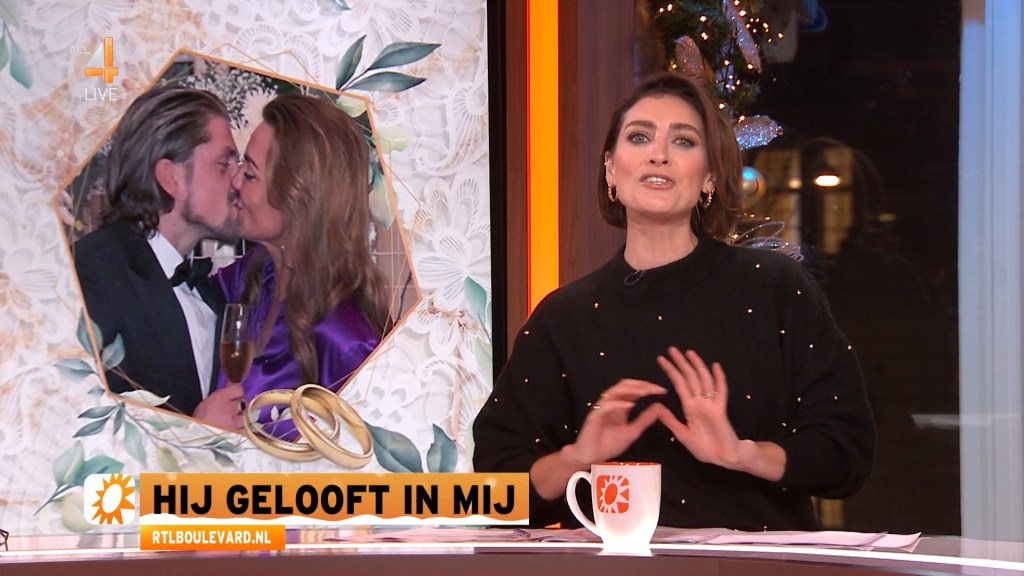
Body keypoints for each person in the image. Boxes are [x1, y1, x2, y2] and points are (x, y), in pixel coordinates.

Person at [472, 73, 875, 531]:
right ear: (610, 169)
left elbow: (848, 452)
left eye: (683, 141)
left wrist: (740, 453)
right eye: (639, 137)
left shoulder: (776, 288)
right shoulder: (562, 318)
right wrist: (578, 457)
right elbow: (492, 494)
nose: (658, 154)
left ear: (709, 177)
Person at [214, 93, 390, 436]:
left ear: (297, 198)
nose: (235, 181)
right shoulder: (246, 279)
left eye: (250, 173)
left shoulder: (346, 342)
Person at [74, 86, 246, 427]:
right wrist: (194, 438)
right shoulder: (89, 275)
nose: (238, 178)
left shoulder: (209, 294)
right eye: (224, 163)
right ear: (172, 178)